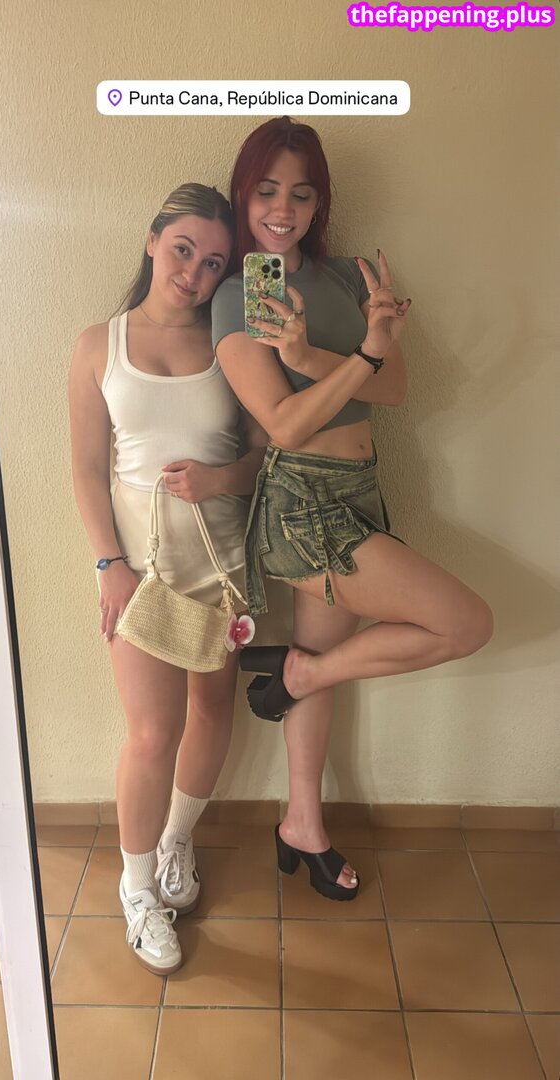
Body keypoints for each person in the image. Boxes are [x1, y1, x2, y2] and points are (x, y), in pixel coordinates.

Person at [211, 118, 493, 902]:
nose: (283, 210)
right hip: (302, 502)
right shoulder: (237, 297)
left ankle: (302, 822)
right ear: (243, 196)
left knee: (319, 661)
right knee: (465, 623)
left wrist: (327, 350)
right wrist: (354, 355)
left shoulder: (343, 279)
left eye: (301, 194)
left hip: (359, 489)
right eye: (267, 191)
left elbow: (392, 390)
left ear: (319, 203)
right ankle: (298, 673)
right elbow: (284, 423)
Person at [69, 184, 265, 973]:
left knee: (211, 711)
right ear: (152, 240)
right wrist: (107, 566)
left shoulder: (231, 342)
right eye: (183, 249)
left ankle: (177, 838)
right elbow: (87, 471)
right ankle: (137, 887)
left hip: (221, 568)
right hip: (138, 578)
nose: (194, 272)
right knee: (153, 732)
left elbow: (263, 453)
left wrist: (221, 480)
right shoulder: (99, 345)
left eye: (213, 263)